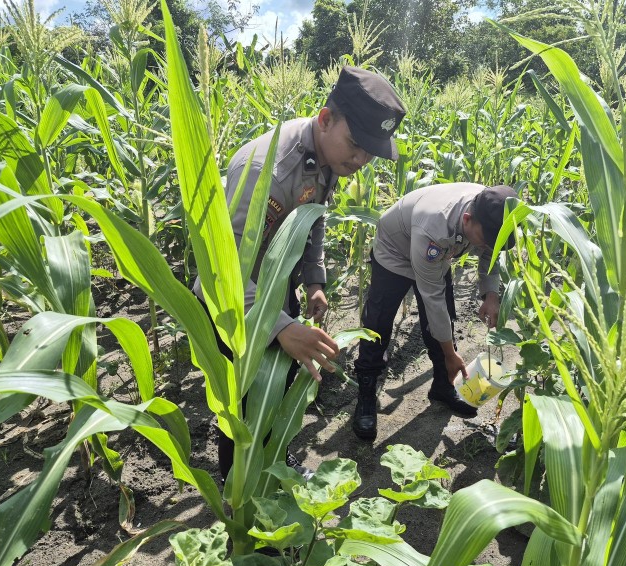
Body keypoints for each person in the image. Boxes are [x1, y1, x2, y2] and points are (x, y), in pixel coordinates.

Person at [192, 66, 407, 476]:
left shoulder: (330, 155)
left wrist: (314, 277)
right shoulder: (265, 171)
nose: (361, 160)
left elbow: (314, 216)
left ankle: (276, 465)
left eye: (371, 153)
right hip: (234, 301)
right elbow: (217, 276)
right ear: (326, 119)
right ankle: (239, 490)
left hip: (272, 285)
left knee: (280, 381)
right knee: (240, 401)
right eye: (356, 146)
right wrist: (280, 326)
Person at [351, 182, 517, 440]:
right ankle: (366, 395)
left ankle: (442, 385)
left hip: (437, 252)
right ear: (467, 219)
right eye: (485, 241)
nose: (488, 246)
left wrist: (491, 295)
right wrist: (450, 353)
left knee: (445, 318)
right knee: (378, 324)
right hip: (396, 250)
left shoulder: (490, 209)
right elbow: (432, 300)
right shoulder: (435, 228)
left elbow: (491, 252)